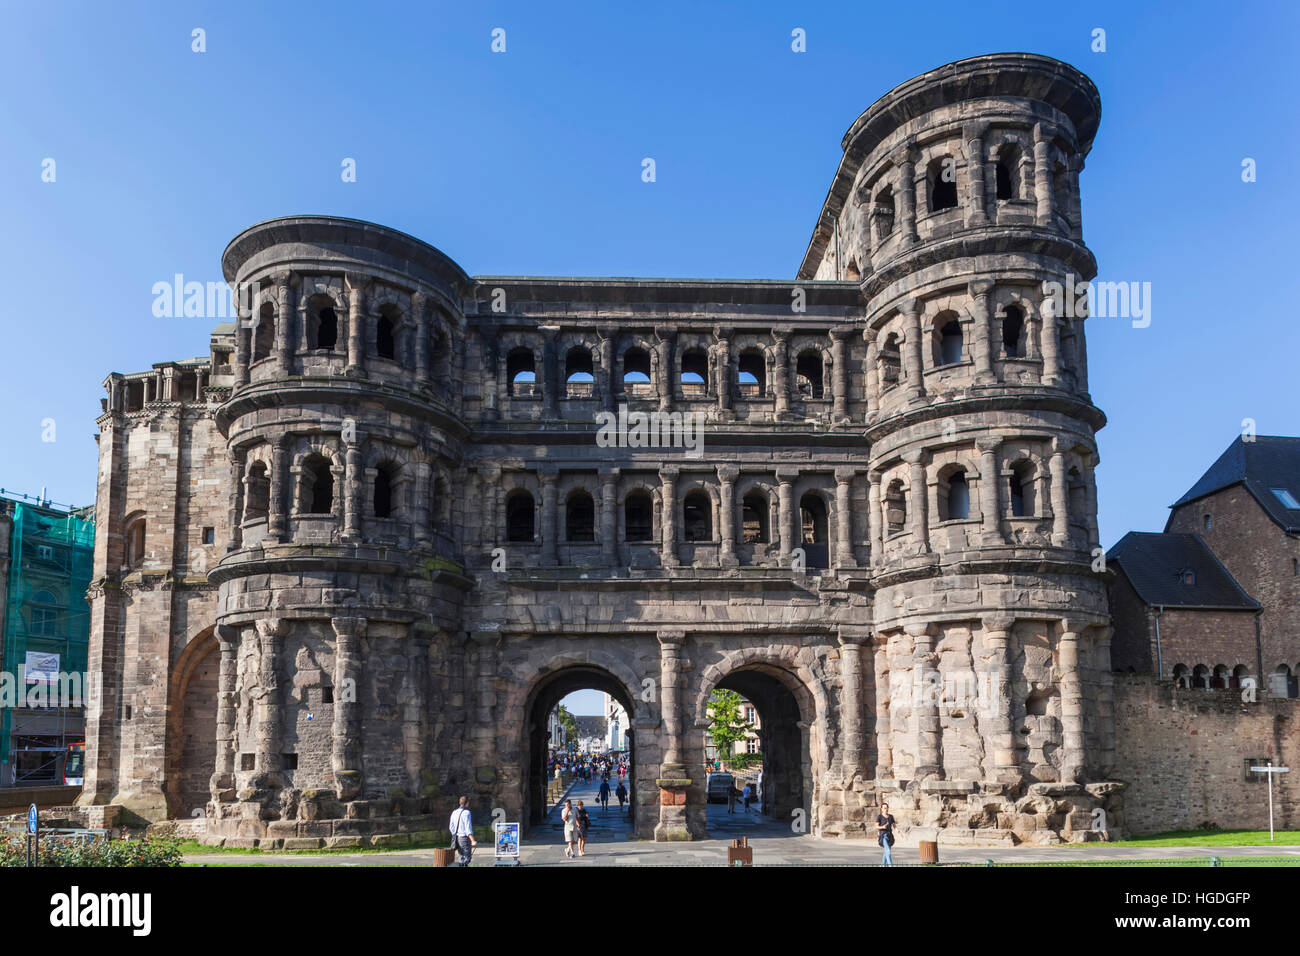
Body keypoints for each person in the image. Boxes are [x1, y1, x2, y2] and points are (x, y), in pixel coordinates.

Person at [449, 796, 477, 866]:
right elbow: (468, 828)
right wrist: (473, 840)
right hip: (464, 838)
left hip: (457, 838)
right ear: (467, 803)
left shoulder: (454, 812)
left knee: (461, 857)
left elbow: (451, 827)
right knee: (466, 858)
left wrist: (455, 834)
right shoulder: (467, 812)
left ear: (460, 803)